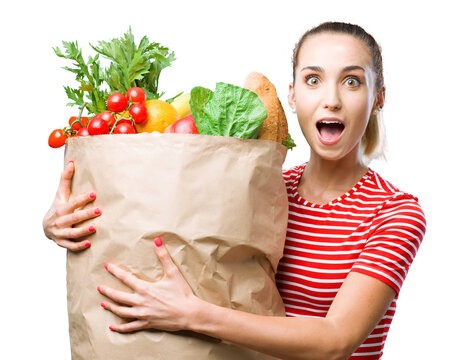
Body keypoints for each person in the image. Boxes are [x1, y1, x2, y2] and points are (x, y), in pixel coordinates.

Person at [43, 22, 426, 360]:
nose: (331, 99)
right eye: (313, 79)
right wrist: (70, 218)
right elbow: (173, 235)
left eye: (352, 81)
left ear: (378, 98)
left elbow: (335, 341)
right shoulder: (263, 187)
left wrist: (192, 314)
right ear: (292, 96)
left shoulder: (395, 212)